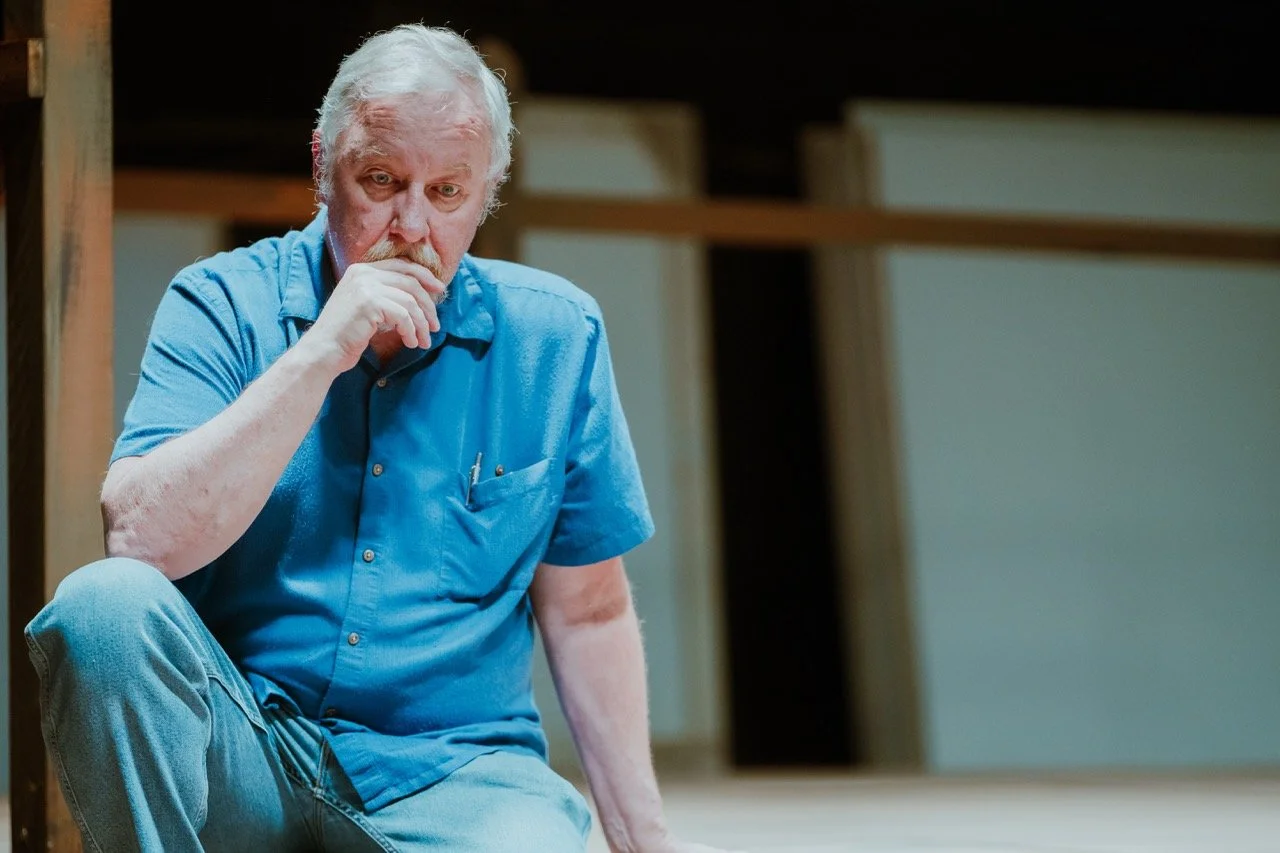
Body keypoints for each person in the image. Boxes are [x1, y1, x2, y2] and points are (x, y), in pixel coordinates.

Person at [25, 23, 739, 853]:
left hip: (455, 777)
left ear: (488, 192)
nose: (411, 224)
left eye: (446, 193)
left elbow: (587, 613)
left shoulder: (555, 336)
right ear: (323, 164)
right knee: (100, 609)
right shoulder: (221, 303)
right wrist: (323, 350)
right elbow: (137, 541)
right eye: (381, 180)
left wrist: (643, 841)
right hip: (246, 754)